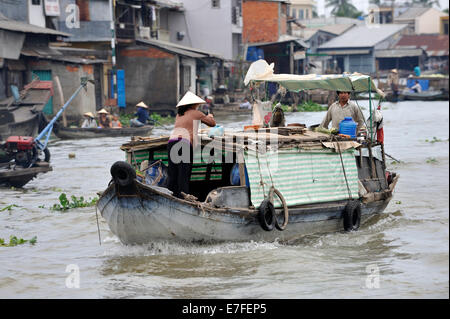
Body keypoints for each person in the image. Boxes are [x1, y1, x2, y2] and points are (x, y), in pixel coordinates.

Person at [167, 91, 216, 198]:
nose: (198, 106)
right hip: (184, 143)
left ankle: (171, 196)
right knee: (184, 173)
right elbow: (212, 123)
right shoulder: (196, 113)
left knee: (173, 173)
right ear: (193, 104)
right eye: (197, 104)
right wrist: (210, 116)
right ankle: (183, 197)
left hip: (171, 143)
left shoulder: (179, 114)